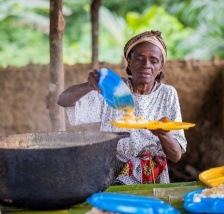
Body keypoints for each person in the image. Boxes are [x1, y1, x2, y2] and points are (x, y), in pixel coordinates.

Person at [57, 30, 187, 185]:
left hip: (151, 176)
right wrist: (89, 85)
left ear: (161, 66)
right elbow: (63, 100)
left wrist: (163, 134)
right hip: (111, 169)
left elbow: (176, 155)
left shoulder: (167, 94)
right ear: (129, 61)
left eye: (154, 60)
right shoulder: (114, 89)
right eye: (139, 59)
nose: (146, 65)